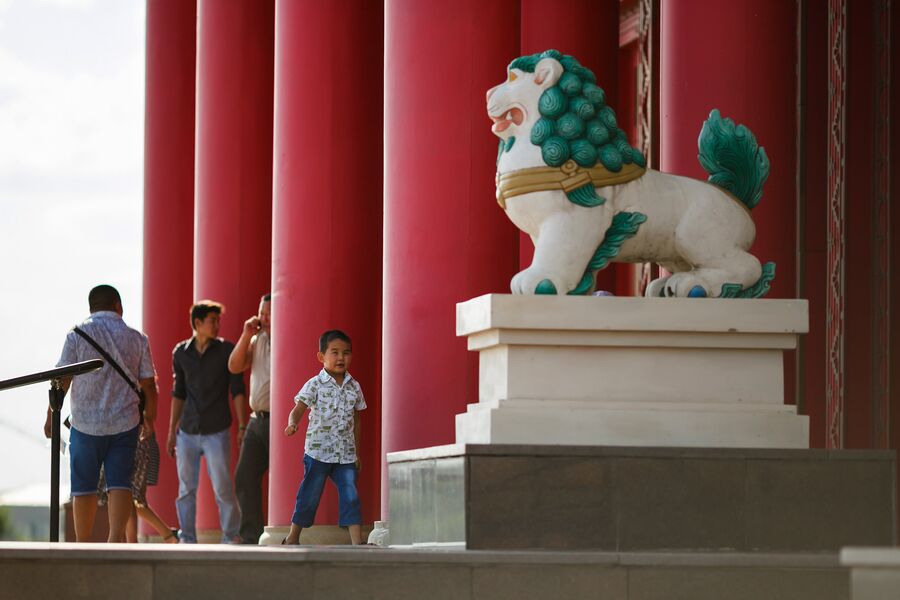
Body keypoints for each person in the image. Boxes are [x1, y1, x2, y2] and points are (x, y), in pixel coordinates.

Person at [44, 284, 158, 543]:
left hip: (85, 424)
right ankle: (115, 539)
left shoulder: (76, 334)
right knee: (120, 482)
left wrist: (51, 414)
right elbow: (149, 384)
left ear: (91, 307)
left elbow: (61, 379)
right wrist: (150, 417)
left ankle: (83, 544)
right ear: (118, 306)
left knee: (83, 486)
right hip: (125, 422)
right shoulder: (137, 338)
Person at [169, 300, 245, 543]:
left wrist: (242, 425)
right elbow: (178, 393)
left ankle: (230, 535)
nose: (217, 325)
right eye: (212, 321)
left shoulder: (226, 350)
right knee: (186, 490)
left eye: (218, 320)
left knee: (223, 487)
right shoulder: (180, 353)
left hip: (217, 429)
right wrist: (172, 430)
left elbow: (237, 390)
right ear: (197, 323)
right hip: (188, 430)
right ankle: (187, 538)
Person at [283, 330, 366, 545]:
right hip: (318, 452)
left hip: (345, 454)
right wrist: (293, 423)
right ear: (321, 356)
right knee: (309, 494)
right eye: (335, 352)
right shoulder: (314, 384)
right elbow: (298, 409)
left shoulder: (354, 387)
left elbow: (356, 420)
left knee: (351, 493)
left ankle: (357, 543)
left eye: (346, 353)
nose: (341, 358)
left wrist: (357, 452)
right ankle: (293, 537)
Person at [228, 293, 271, 544]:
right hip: (257, 420)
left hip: (281, 421)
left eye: (269, 313)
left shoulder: (286, 336)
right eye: (262, 313)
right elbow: (234, 366)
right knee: (244, 476)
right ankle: (251, 534)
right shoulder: (256, 339)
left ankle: (285, 530)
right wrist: (246, 334)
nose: (264, 318)